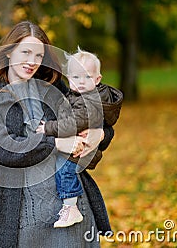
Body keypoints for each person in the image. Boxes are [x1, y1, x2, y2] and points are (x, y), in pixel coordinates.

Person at [0, 21, 115, 247]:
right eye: (25, 52)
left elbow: (90, 116)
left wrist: (101, 135)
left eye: (39, 55)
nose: (32, 61)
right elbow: (5, 149)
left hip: (69, 204)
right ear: (8, 52)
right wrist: (56, 143)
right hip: (20, 211)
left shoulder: (54, 88)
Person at [36, 47, 123, 228]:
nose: (81, 82)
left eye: (87, 77)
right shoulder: (78, 95)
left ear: (98, 79)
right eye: (76, 77)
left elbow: (72, 124)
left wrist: (47, 128)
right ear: (69, 78)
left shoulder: (88, 100)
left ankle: (71, 207)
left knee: (65, 169)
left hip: (80, 149)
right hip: (79, 146)